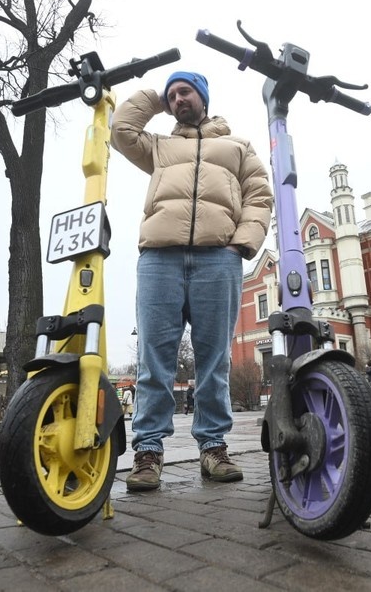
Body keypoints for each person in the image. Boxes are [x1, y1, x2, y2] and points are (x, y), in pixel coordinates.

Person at [111, 70, 273, 491]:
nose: (179, 98)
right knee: (154, 360)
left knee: (214, 359)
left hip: (217, 260)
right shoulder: (160, 147)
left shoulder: (237, 146)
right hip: (159, 260)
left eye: (186, 92)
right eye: (173, 95)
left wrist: (241, 244)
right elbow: (122, 131)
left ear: (203, 96)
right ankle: (147, 453)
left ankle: (214, 448)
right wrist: (155, 97)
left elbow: (259, 195)